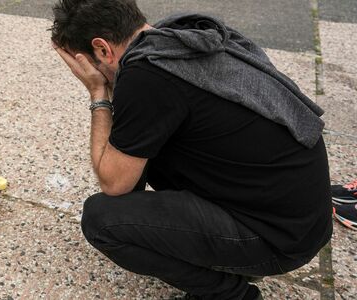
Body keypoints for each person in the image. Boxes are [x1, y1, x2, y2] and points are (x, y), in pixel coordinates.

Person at [50, 0, 332, 299]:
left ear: (103, 49)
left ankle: (230, 294)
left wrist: (97, 93)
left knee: (102, 220)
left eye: (84, 64)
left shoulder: (147, 76)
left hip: (277, 238)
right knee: (141, 146)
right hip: (301, 221)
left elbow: (114, 183)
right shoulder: (180, 39)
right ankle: (228, 257)